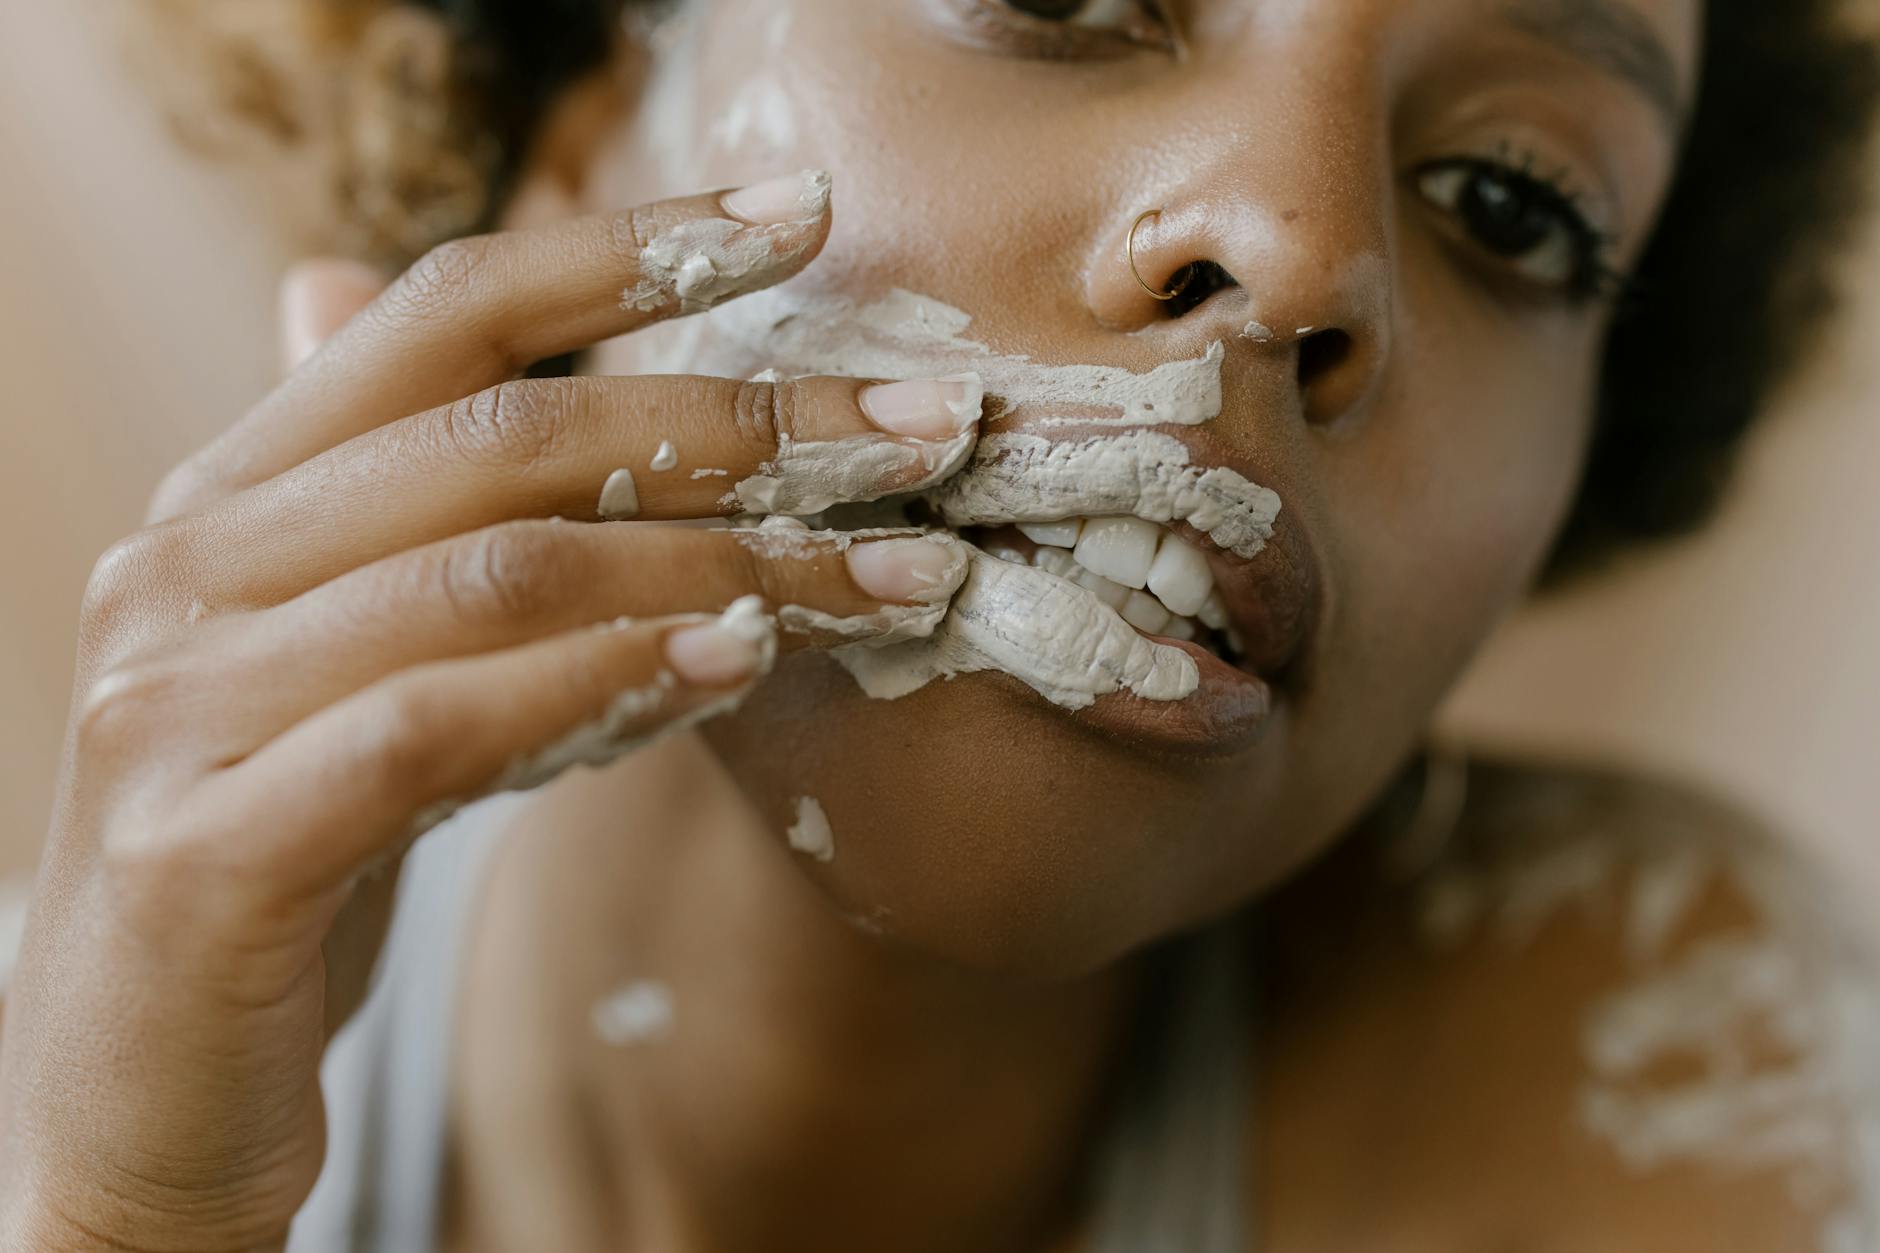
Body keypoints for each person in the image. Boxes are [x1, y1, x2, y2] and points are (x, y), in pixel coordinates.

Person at [3, 0, 1877, 1248]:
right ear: (572, 111)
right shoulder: (69, 1117)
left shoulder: (1685, 1078)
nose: (1305, 249)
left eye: (1509, 202)